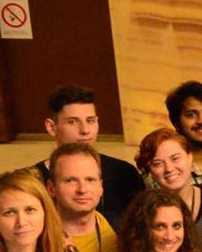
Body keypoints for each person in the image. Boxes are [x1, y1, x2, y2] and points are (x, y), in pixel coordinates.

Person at [38, 85, 142, 221]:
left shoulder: (124, 173)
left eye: (90, 121)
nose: (85, 130)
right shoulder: (34, 179)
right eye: (72, 122)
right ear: (51, 127)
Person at [137, 127, 202, 245]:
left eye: (175, 158)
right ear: (150, 171)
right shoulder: (143, 212)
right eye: (158, 163)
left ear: (190, 157)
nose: (169, 168)